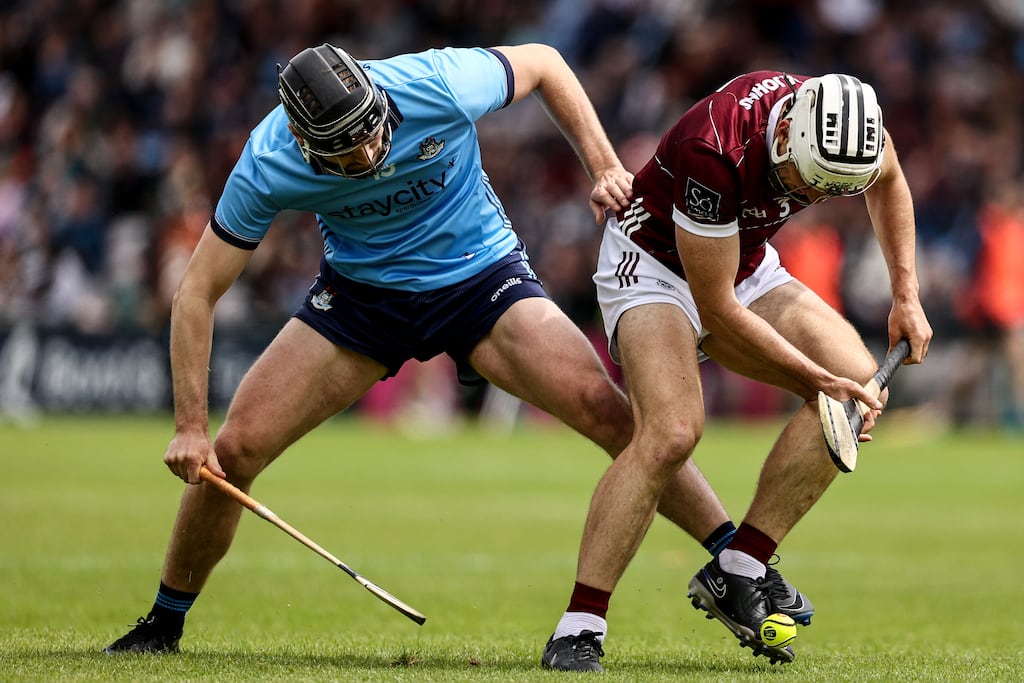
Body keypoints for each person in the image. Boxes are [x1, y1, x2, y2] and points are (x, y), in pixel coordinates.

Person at [102, 43, 810, 657]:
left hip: (482, 279)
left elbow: (546, 64)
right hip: (362, 301)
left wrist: (600, 164)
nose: (370, 154)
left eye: (372, 134)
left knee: (613, 413)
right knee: (235, 453)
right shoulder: (269, 160)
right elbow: (196, 293)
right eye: (345, 151)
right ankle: (164, 623)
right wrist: (191, 424)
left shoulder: (434, 83)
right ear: (304, 140)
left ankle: (735, 563)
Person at [541, 71, 932, 670]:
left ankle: (739, 565)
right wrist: (813, 383)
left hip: (744, 259)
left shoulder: (845, 126)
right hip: (652, 263)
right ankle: (580, 625)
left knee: (858, 390)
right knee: (672, 433)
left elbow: (891, 180)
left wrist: (905, 294)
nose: (818, 198)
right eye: (810, 183)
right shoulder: (715, 148)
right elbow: (717, 311)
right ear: (786, 140)